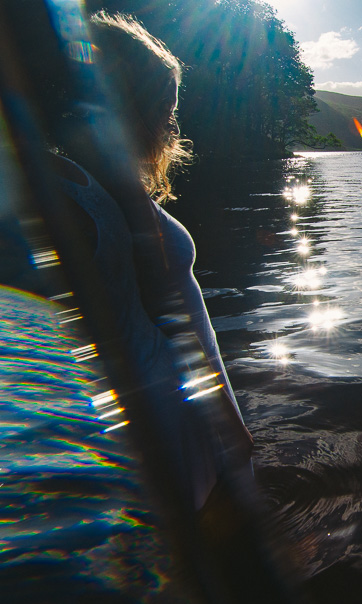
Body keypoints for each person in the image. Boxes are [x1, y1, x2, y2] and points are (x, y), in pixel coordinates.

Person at [46, 10, 254, 513]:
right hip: (169, 426)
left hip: (172, 424)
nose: (171, 122)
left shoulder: (108, 182)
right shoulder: (85, 190)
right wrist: (230, 427)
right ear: (131, 100)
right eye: (165, 105)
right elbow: (171, 317)